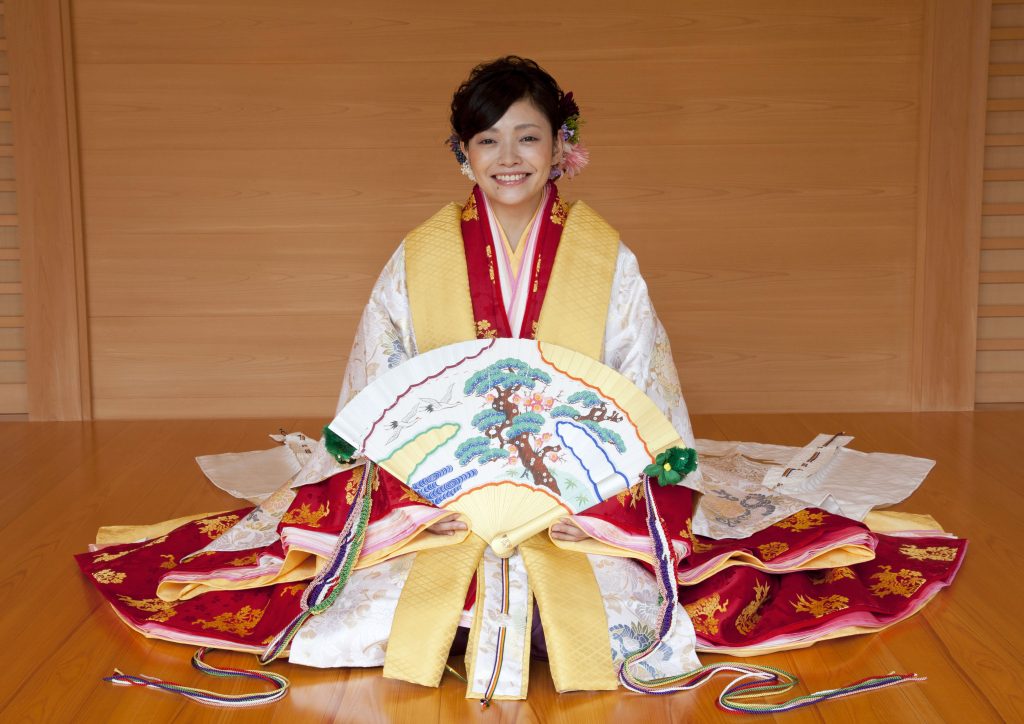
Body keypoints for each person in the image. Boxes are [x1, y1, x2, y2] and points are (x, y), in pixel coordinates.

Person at [76, 56, 966, 704]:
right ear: (461, 152)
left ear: (560, 147)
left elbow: (639, 374)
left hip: (585, 483)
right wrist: (424, 473)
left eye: (529, 137)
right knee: (365, 604)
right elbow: (381, 380)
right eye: (487, 138)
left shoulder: (604, 255)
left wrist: (639, 465)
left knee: (625, 599)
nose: (509, 157)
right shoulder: (418, 254)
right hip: (442, 486)